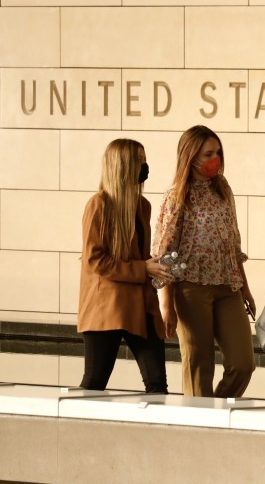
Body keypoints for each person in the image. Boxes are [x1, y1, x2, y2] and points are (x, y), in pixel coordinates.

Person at [152, 125, 256, 397]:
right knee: (200, 366)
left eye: (217, 152)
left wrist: (244, 287)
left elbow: (233, 243)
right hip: (190, 287)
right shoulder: (176, 197)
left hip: (227, 285)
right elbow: (165, 253)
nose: (215, 159)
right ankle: (199, 426)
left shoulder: (223, 188)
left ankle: (215, 413)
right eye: (208, 153)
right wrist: (167, 306)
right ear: (191, 156)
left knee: (243, 363)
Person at [78, 138, 172, 393]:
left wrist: (155, 267)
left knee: (157, 385)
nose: (145, 166)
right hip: (106, 309)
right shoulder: (98, 205)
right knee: (94, 382)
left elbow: (139, 256)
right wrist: (143, 268)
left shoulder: (143, 206)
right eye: (139, 161)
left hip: (141, 306)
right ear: (123, 166)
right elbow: (95, 259)